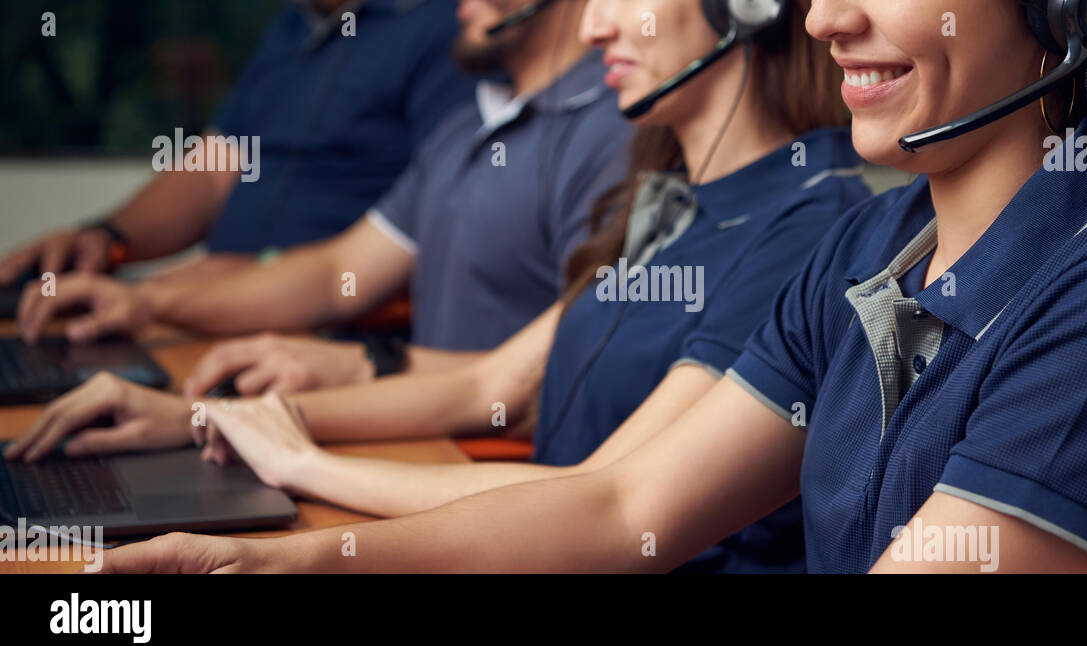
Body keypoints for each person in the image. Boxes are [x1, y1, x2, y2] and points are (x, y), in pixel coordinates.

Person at [93, 0, 1087, 574]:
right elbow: (619, 506)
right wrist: (277, 562)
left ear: (1070, 14)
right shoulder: (867, 251)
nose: (829, 17)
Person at [7, 0, 867, 573]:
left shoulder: (807, 219)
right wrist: (200, 415)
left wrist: (308, 466)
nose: (597, 24)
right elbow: (493, 384)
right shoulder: (664, 198)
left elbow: (608, 497)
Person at [13, 0, 633, 396]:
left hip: (478, 453)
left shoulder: (613, 133)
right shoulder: (467, 125)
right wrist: (141, 298)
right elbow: (339, 268)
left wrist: (367, 365)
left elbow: (566, 375)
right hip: (409, 414)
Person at [0, 0, 474, 293]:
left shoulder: (450, 27)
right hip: (221, 314)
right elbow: (215, 167)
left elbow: (438, 224)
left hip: (327, 334)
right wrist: (106, 237)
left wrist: (262, 275)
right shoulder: (292, 28)